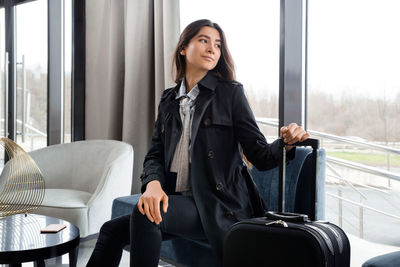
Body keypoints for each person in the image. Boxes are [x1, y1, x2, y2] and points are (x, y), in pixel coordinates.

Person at [87, 19, 310, 267]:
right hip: (178, 200)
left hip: (218, 204)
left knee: (145, 216)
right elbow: (155, 154)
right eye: (203, 40)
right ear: (183, 48)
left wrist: (286, 143)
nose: (212, 49)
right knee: (110, 230)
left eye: (217, 44)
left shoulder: (230, 93)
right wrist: (152, 185)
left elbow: (260, 156)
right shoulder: (169, 99)